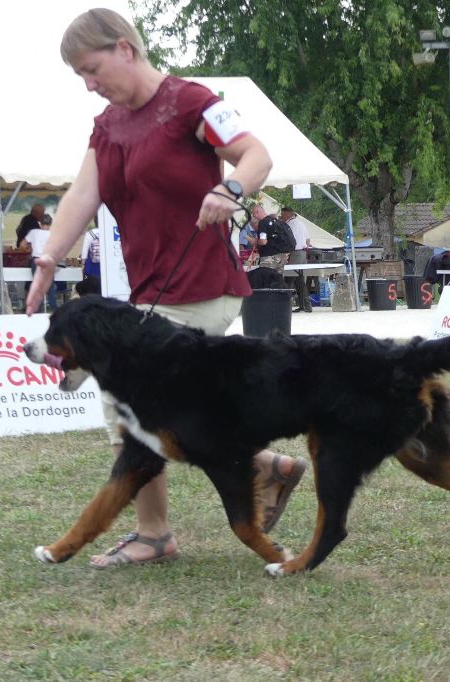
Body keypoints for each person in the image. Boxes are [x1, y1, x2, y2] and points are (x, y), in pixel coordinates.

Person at [26, 8, 306, 569]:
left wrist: (230, 188)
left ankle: (155, 534)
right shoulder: (108, 126)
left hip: (203, 282)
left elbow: (257, 156)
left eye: (91, 68)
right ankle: (264, 467)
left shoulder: (192, 103)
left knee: (135, 408)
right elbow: (85, 193)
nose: (88, 84)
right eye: (79, 75)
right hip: (151, 291)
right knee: (160, 412)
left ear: (125, 48)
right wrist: (51, 255)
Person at [23, 213, 58, 312]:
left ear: (40, 223)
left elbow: (22, 244)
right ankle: (54, 309)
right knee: (50, 286)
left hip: (36, 260)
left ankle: (38, 310)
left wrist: (29, 248)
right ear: (51, 224)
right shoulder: (53, 234)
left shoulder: (34, 232)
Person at [281, 206, 312, 312]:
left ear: (287, 214)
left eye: (282, 215)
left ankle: (284, 305)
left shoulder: (289, 224)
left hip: (296, 253)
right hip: (303, 253)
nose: (281, 217)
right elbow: (308, 241)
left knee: (289, 279)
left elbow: (290, 241)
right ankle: (306, 305)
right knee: (300, 280)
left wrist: (285, 254)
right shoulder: (301, 223)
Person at [252, 205, 295, 274]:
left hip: (269, 256)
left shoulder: (263, 223)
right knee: (277, 279)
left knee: (266, 279)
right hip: (283, 256)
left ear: (257, 212)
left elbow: (263, 242)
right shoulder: (277, 221)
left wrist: (256, 241)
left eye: (253, 214)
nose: (254, 217)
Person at [75, 225, 102, 297]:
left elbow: (84, 250)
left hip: (92, 265)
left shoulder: (90, 233)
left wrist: (83, 264)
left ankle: (92, 299)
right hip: (105, 264)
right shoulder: (107, 231)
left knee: (93, 284)